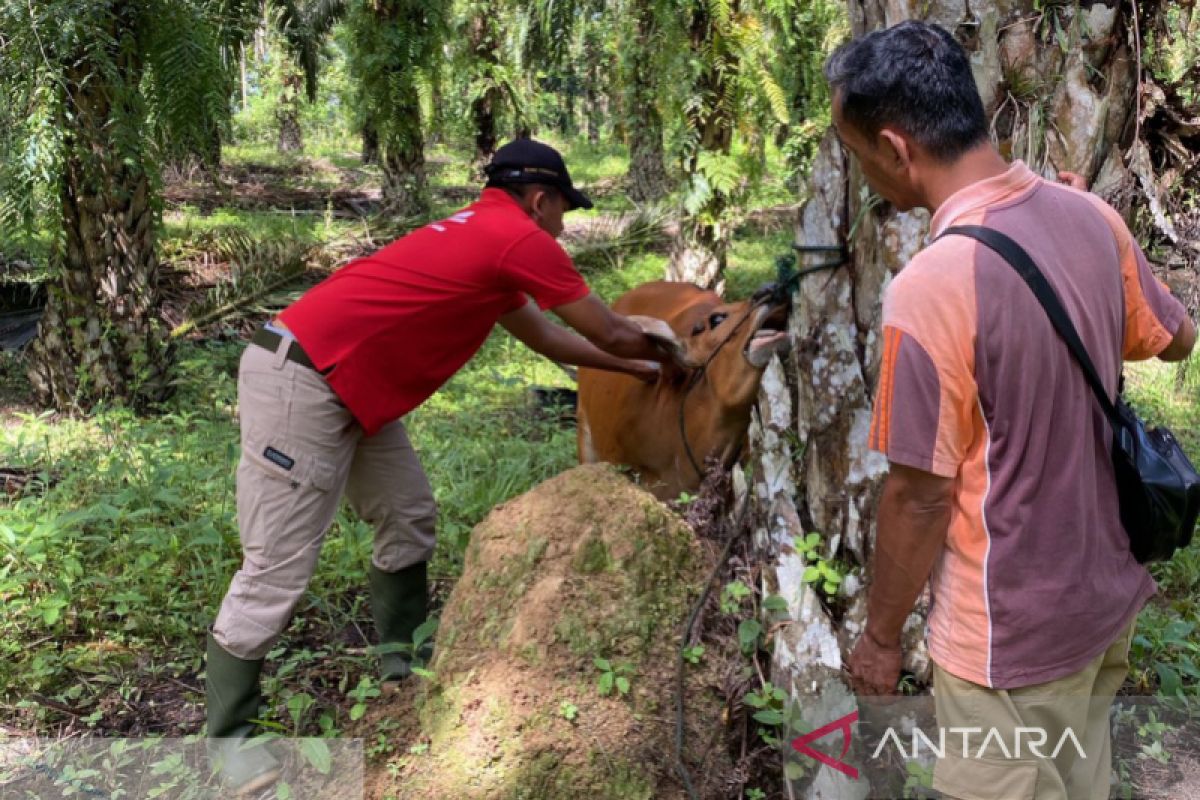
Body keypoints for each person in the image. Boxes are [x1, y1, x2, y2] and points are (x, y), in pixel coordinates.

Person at [204, 138, 684, 793]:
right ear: (539, 200)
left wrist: (634, 368)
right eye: (563, 211)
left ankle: (400, 670)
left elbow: (546, 336)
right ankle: (229, 741)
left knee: (407, 514)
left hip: (349, 384)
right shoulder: (517, 239)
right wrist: (660, 349)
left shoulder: (483, 237)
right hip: (305, 383)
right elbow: (604, 326)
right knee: (278, 563)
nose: (564, 226)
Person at [830, 21, 1196, 800]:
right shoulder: (1091, 219)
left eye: (861, 158)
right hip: (1103, 607)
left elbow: (920, 494)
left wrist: (880, 639)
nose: (866, 178)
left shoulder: (933, 287)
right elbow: (1178, 340)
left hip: (1008, 645)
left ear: (896, 149)